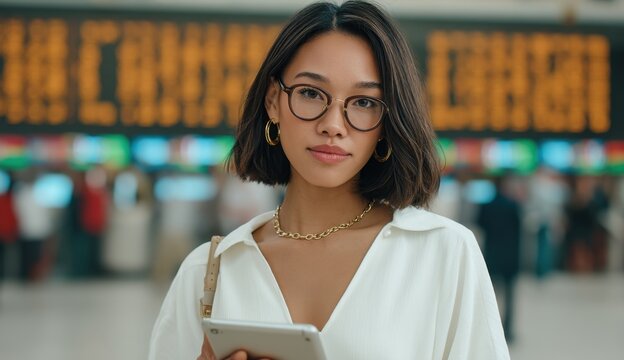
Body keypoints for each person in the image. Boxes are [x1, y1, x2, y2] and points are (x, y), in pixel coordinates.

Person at [149, 2, 509, 359]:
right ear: (273, 101)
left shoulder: (443, 253)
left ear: (387, 122)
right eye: (310, 93)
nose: (333, 125)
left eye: (365, 102)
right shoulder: (208, 271)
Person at [476, 175, 522, 343]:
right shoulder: (513, 206)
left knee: (490, 294)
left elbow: (479, 223)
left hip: (492, 254)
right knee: (510, 295)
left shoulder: (486, 206)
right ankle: (508, 330)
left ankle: (489, 329)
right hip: (510, 255)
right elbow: (519, 229)